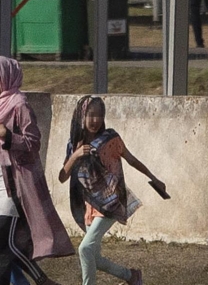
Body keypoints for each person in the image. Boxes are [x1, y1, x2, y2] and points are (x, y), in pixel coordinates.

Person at [0, 56, 74, 285]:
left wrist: (8, 136)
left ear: (2, 77)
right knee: (0, 248)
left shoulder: (20, 104)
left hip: (14, 183)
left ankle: (42, 280)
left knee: (8, 245)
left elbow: (33, 143)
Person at [58, 95, 167, 285]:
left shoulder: (111, 138)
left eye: (100, 115)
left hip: (112, 200)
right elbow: (62, 177)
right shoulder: (74, 143)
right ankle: (131, 276)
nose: (95, 120)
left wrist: (154, 178)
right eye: (91, 115)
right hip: (90, 203)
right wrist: (75, 155)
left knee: (85, 249)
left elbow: (131, 160)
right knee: (94, 256)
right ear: (81, 117)